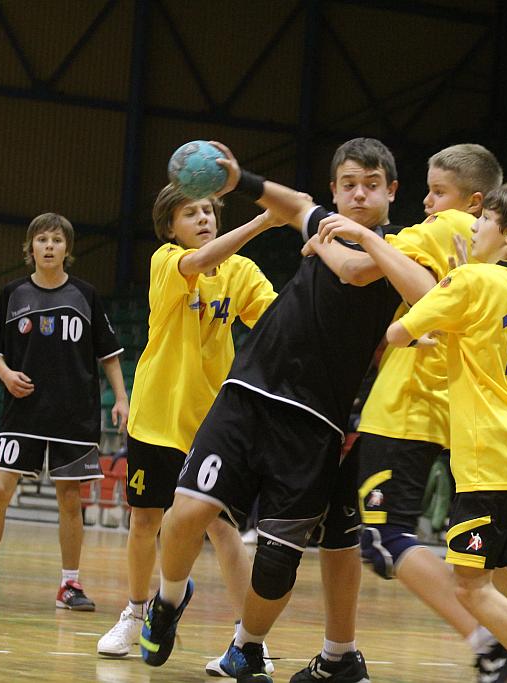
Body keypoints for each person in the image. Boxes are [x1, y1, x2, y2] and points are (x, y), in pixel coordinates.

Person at [138, 138, 446, 683]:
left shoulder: (402, 246)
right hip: (247, 392)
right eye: (348, 184)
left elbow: (358, 271)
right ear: (335, 189)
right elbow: (296, 205)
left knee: (277, 561)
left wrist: (337, 236)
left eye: (371, 185)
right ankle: (167, 599)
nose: (358, 194)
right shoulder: (325, 222)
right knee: (186, 514)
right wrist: (240, 181)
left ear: (392, 193)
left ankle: (248, 646)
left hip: (317, 421)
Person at [325, 143, 507, 682]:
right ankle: (337, 654)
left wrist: (313, 229)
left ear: (474, 201)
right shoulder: (501, 269)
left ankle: (489, 642)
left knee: (385, 536)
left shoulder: (442, 229)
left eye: (437, 191)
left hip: (403, 407)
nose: (427, 201)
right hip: (448, 411)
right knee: (493, 563)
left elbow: (357, 268)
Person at [387, 181, 507, 683]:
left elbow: (397, 333)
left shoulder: (470, 280)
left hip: (486, 454)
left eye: (487, 219)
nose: (475, 225)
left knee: (471, 588)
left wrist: (426, 319)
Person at [96, 184, 281, 669]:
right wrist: (265, 222)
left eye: (207, 211)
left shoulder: (241, 272)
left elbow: (278, 319)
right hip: (157, 419)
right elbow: (199, 264)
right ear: (170, 227)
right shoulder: (167, 261)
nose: (202, 219)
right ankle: (137, 614)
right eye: (189, 213)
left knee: (225, 529)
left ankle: (249, 639)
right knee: (145, 521)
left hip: (213, 425)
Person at [0, 213, 129, 610]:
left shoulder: (85, 295)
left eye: (57, 240)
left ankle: (70, 585)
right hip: (23, 412)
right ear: (30, 248)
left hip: (74, 414)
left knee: (70, 498)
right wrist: (6, 375)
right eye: (42, 240)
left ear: (68, 250)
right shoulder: (12, 293)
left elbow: (110, 355)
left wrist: (121, 398)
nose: (49, 246)